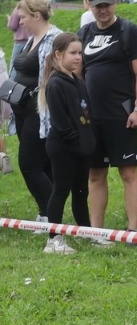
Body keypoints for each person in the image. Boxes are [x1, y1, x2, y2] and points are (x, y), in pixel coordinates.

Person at [78, 0, 137, 236]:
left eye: (106, 4)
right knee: (95, 174)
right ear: (89, 5)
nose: (102, 10)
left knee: (128, 173)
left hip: (121, 115)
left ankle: (132, 229)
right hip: (91, 117)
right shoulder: (84, 33)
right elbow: (78, 72)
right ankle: (96, 230)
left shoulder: (129, 31)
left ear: (115, 3)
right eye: (97, 6)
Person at [37, 33, 93, 255]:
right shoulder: (55, 84)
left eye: (80, 53)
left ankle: (87, 232)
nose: (78, 57)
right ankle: (54, 239)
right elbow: (61, 123)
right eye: (73, 53)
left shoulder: (77, 80)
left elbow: (86, 113)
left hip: (81, 148)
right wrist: (77, 144)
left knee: (81, 191)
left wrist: (89, 141)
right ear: (59, 54)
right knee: (60, 190)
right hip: (64, 148)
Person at [11, 0, 59, 229]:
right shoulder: (32, 39)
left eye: (23, 18)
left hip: (39, 111)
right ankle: (46, 213)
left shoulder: (53, 38)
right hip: (22, 110)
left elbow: (51, 77)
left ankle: (53, 215)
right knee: (43, 165)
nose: (20, 22)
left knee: (29, 165)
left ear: (36, 16)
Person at [7, 0, 32, 75]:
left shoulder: (19, 9)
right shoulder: (33, 9)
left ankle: (11, 85)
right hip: (32, 42)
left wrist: (9, 20)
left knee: (14, 65)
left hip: (20, 42)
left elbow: (13, 26)